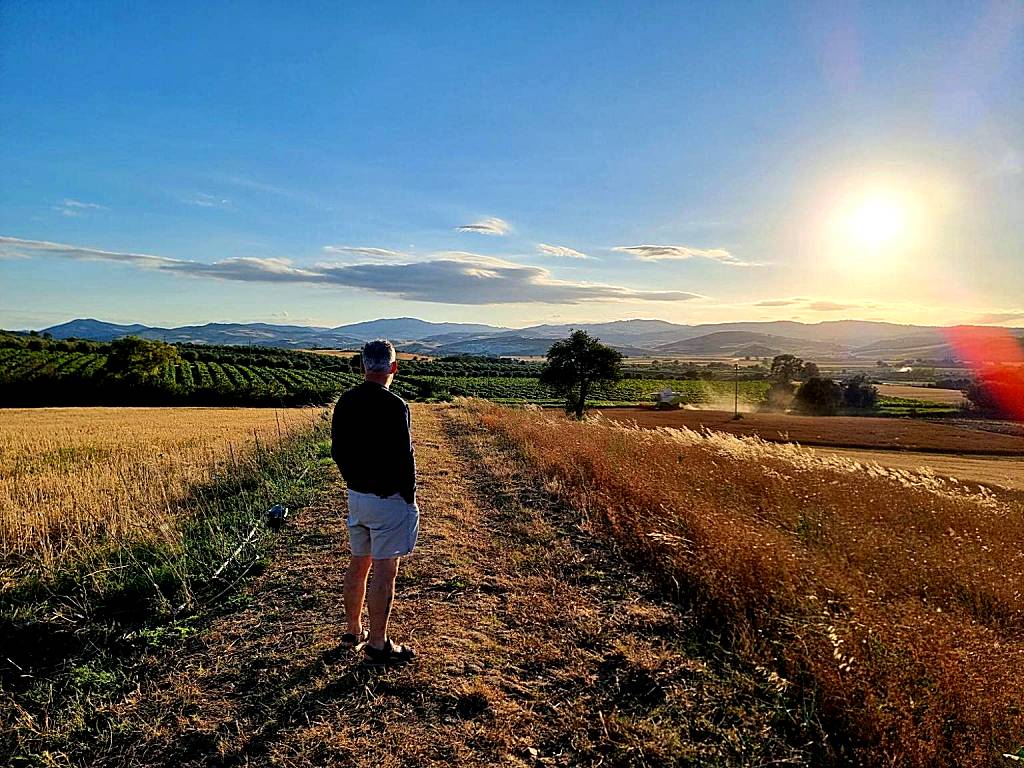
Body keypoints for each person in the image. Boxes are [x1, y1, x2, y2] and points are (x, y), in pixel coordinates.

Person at [331, 339, 418, 665]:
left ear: (364, 366)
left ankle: (353, 631)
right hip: (388, 501)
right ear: (393, 368)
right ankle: (379, 645)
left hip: (358, 498)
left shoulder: (345, 401)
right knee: (385, 571)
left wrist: (355, 482)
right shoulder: (396, 406)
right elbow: (403, 458)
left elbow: (338, 451)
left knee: (359, 563)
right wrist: (407, 498)